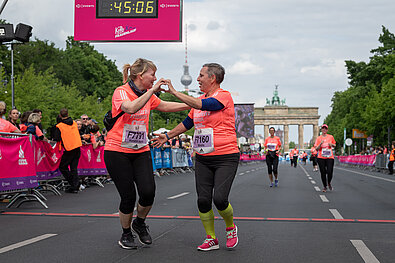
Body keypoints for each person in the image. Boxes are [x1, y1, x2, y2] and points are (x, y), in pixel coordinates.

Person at [152, 63, 240, 251]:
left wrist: (175, 92)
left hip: (226, 156)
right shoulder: (198, 102)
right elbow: (187, 123)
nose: (198, 79)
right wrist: (167, 135)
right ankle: (211, 238)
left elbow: (203, 104)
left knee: (220, 199)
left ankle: (230, 227)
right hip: (202, 157)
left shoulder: (224, 96)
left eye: (201, 76)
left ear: (212, 78)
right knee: (202, 200)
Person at [103, 58, 189, 250]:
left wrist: (192, 104)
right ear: (141, 75)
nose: (155, 78)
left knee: (148, 192)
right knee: (128, 197)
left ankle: (139, 223)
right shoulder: (121, 91)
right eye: (153, 75)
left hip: (140, 149)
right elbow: (131, 107)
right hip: (117, 151)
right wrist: (152, 91)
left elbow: (165, 106)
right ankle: (126, 233)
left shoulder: (149, 96)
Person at [53, 108, 83, 193]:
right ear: (68, 114)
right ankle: (75, 185)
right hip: (77, 146)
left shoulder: (59, 126)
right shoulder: (73, 123)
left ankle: (74, 184)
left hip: (69, 148)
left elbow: (57, 138)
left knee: (63, 167)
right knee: (74, 168)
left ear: (60, 115)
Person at [314, 124, 336, 192]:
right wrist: (320, 144)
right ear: (321, 129)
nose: (324, 129)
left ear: (327, 130)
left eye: (325, 128)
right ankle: (325, 186)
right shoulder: (318, 138)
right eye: (323, 128)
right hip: (321, 157)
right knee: (323, 172)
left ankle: (329, 182)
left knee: (329, 171)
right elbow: (316, 149)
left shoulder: (331, 137)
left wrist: (331, 144)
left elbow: (334, 145)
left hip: (330, 157)